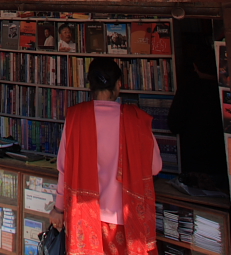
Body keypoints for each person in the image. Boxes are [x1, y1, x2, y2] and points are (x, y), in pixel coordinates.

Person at [49, 57, 161, 254]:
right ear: (119, 84)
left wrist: (59, 209)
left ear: (89, 85)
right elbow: (155, 167)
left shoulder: (76, 118)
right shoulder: (135, 120)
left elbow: (64, 169)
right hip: (127, 218)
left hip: (85, 218)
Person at [168, 46, 226, 187]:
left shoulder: (187, 89)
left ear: (195, 66)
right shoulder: (226, 90)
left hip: (193, 160)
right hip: (222, 160)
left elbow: (174, 124)